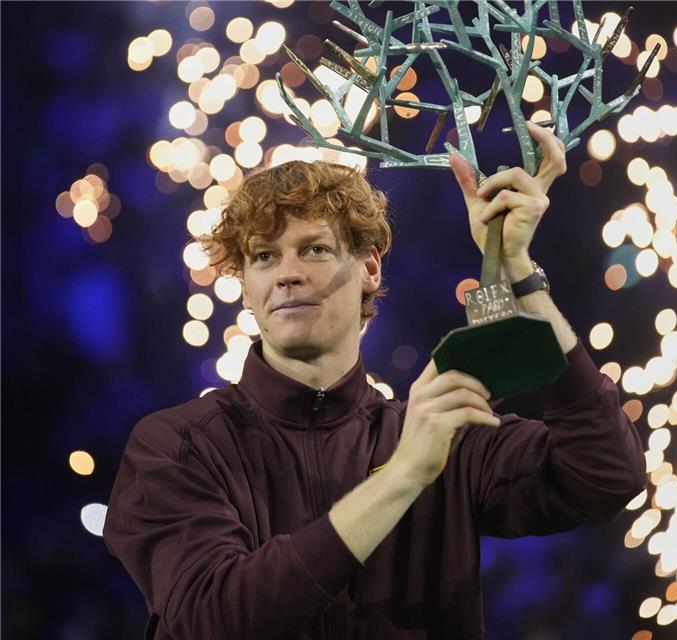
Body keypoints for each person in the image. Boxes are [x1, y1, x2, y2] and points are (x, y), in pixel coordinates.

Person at [103, 122, 646, 639]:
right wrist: (403, 475)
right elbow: (213, 619)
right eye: (264, 257)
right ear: (245, 285)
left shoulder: (439, 437)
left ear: (369, 267)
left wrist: (517, 268)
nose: (288, 273)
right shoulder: (177, 445)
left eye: (315, 249)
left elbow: (605, 475)